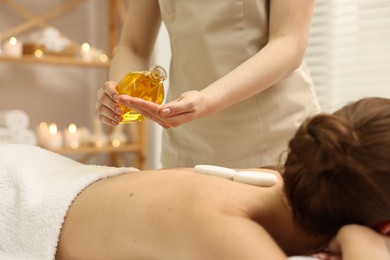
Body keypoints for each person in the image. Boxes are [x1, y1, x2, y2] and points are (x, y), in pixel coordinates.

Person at [1, 97, 389, 260]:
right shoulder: (226, 226)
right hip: (15, 198)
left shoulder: (272, 184)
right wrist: (360, 238)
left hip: (36, 172)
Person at [96, 0, 321, 168]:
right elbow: (133, 46)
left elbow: (289, 43)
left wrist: (207, 100)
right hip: (186, 145)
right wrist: (121, 94)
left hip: (271, 141)